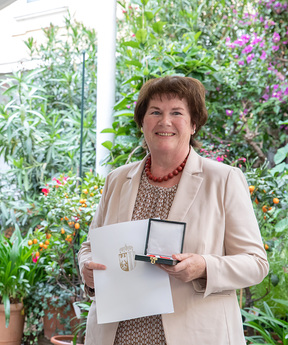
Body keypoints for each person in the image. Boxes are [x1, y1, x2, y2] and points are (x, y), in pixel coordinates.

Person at [78, 76, 268, 345]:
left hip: (195, 335)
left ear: (193, 125)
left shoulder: (223, 179)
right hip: (117, 336)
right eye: (155, 112)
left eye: (176, 113)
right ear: (142, 122)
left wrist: (204, 266)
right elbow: (90, 245)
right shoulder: (117, 180)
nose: (164, 121)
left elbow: (256, 263)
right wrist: (86, 267)